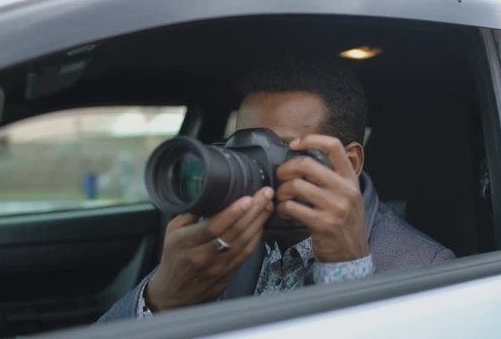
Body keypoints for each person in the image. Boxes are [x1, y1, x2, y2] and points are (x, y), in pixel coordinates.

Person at [98, 60, 454, 321]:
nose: (255, 168)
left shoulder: (424, 266)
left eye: (278, 149)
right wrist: (162, 299)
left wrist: (348, 275)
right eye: (243, 147)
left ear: (350, 162)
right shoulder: (219, 236)